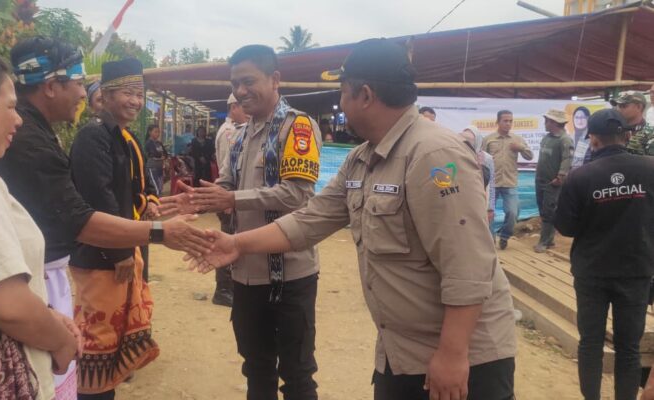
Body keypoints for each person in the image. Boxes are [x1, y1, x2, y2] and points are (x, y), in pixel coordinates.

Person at [185, 38, 517, 400]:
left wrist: (453, 355)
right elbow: (311, 218)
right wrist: (236, 244)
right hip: (400, 351)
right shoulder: (362, 158)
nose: (340, 103)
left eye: (342, 93)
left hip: (462, 358)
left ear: (366, 95)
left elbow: (468, 265)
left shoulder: (433, 154)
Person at [0, 37, 209, 399]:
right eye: (78, 85)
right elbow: (85, 211)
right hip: (73, 260)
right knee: (79, 353)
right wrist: (157, 233)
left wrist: (156, 208)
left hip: (69, 260)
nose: (83, 95)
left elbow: (124, 192)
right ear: (52, 86)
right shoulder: (61, 138)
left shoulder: (116, 137)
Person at [163, 44, 323, 400]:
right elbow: (229, 185)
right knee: (256, 368)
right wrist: (200, 197)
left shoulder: (297, 127)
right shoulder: (240, 135)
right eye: (236, 83)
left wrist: (231, 198)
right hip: (245, 270)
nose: (241, 91)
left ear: (275, 79)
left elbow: (297, 194)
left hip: (290, 275)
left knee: (297, 375)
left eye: (249, 81)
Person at [0, 47, 80, 400]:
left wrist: (50, 315)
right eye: (9, 106)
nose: (19, 119)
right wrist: (62, 343)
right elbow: (10, 307)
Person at [68, 58, 162, 399]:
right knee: (98, 343)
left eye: (139, 94)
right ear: (105, 95)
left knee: (115, 339)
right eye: (127, 93)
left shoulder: (122, 136)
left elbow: (133, 186)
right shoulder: (93, 137)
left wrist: (150, 201)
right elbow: (98, 197)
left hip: (121, 247)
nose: (136, 101)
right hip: (100, 255)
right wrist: (120, 251)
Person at [554, 108, 654, 400]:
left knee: (591, 344)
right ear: (625, 135)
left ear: (593, 140)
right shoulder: (650, 168)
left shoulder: (580, 177)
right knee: (628, 347)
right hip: (636, 271)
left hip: (591, 272)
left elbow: (567, 228)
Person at [212, 93, 249, 307]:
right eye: (243, 106)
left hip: (233, 198)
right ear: (234, 107)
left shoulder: (237, 130)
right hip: (228, 198)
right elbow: (228, 171)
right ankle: (223, 289)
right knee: (226, 241)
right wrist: (226, 199)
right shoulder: (230, 133)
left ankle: (229, 286)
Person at [482, 109, 534, 249]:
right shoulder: (488, 139)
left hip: (509, 182)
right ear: (497, 122)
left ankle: (504, 236)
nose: (508, 124)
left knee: (513, 212)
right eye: (505, 121)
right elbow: (480, 159)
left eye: (510, 121)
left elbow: (529, 156)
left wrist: (521, 148)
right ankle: (490, 240)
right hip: (491, 183)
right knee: (488, 214)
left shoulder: (517, 140)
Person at [534, 109, 574, 253]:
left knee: (549, 211)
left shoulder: (565, 140)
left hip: (553, 182)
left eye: (547, 121)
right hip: (540, 180)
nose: (545, 123)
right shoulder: (547, 138)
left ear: (555, 122)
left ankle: (544, 242)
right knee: (542, 209)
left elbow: (567, 159)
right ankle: (549, 240)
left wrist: (560, 177)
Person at [460, 125, 496, 225]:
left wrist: (490, 208)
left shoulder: (486, 158)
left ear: (477, 141)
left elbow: (491, 184)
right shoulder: (458, 156)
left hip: (482, 201)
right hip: (464, 203)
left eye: (470, 140)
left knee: (485, 231)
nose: (467, 143)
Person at [610, 91, 654, 156]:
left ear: (639, 107)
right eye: (618, 106)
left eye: (623, 106)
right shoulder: (612, 130)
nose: (618, 109)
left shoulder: (650, 134)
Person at [145, 124, 167, 196]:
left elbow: (165, 154)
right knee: (156, 187)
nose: (157, 134)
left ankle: (158, 203)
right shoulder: (149, 143)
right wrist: (160, 157)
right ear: (150, 132)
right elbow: (153, 154)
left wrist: (160, 157)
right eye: (155, 132)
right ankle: (157, 204)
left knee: (160, 188)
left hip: (159, 168)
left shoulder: (159, 143)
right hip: (152, 168)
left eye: (158, 132)